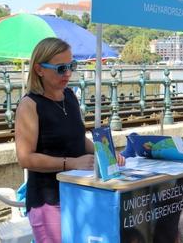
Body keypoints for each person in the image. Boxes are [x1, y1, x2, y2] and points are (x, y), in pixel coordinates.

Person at [15, 37, 125, 242]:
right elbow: (25, 158)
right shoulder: (29, 105)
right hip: (48, 199)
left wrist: (106, 154)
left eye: (71, 66)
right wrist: (70, 163)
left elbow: (79, 139)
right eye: (60, 68)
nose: (68, 73)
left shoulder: (70, 96)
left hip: (78, 195)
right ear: (39, 69)